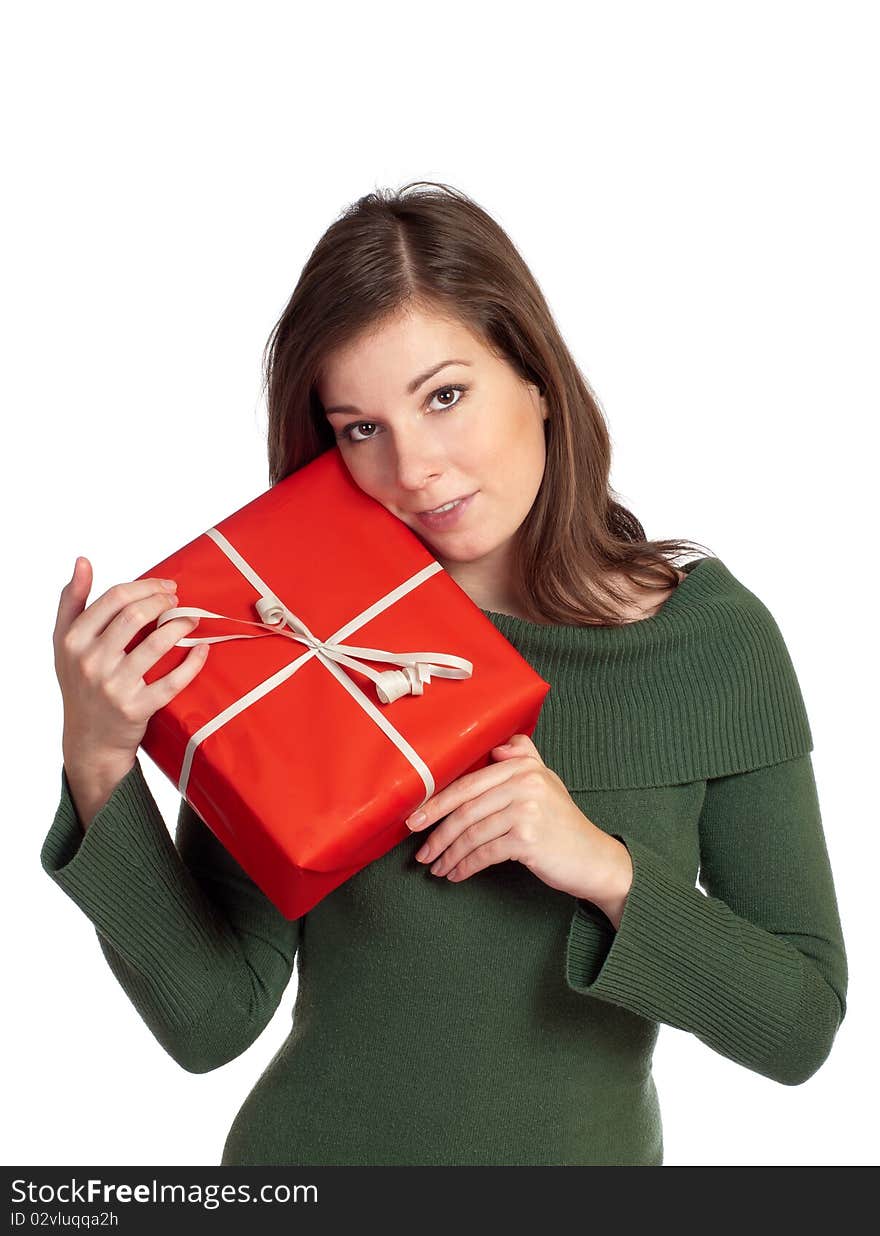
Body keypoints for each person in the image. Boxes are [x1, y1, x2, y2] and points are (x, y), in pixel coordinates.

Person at [43, 181, 848, 1167]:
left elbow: (799, 1025)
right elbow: (211, 1018)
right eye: (361, 427)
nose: (415, 467)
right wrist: (98, 762)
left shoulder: (709, 643)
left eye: (444, 396)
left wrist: (598, 864)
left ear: (536, 378)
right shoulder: (307, 644)